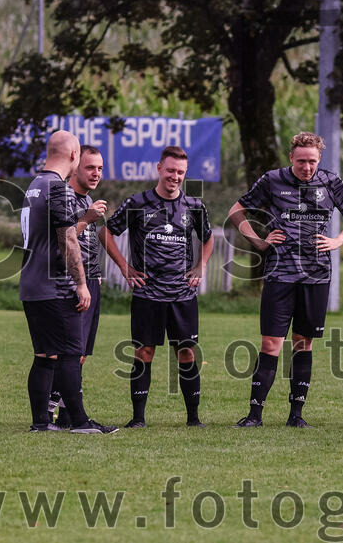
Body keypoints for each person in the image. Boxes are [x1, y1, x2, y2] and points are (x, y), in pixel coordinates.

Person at [230, 132, 343, 428]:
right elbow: (236, 211)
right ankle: (254, 416)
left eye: (312, 161)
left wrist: (339, 239)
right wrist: (260, 241)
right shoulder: (272, 180)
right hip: (280, 275)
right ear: (291, 157)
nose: (307, 167)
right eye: (301, 161)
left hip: (316, 277)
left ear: (320, 159)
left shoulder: (330, 182)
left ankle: (296, 416)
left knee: (303, 344)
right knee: (270, 344)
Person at [103, 146, 214, 428]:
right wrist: (124, 267)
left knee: (187, 352)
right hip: (147, 293)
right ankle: (138, 418)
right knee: (144, 353)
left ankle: (193, 419)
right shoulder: (137, 203)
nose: (174, 177)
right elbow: (106, 230)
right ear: (159, 169)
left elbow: (208, 238)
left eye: (180, 172)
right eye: (170, 171)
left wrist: (200, 266)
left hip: (182, 294)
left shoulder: (194, 206)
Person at [19, 130, 116, 434]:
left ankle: (41, 423)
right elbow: (68, 240)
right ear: (75, 156)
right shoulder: (58, 189)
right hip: (56, 285)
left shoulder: (34, 186)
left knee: (45, 355)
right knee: (71, 353)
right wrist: (82, 283)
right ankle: (80, 422)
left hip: (31, 284)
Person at [48, 146, 107, 428]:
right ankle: (51, 412)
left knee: (80, 353)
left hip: (92, 281)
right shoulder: (66, 197)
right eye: (90, 167)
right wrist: (87, 219)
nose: (96, 173)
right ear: (76, 167)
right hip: (72, 283)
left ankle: (69, 413)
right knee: (68, 352)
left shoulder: (88, 198)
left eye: (99, 168)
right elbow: (63, 240)